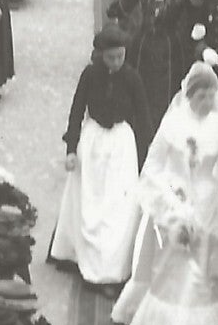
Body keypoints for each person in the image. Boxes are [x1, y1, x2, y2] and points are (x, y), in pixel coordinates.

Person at [113, 61, 218, 325]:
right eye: (201, 97)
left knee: (211, 267)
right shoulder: (172, 125)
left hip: (211, 202)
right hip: (178, 202)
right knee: (178, 268)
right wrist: (170, 199)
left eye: (211, 96)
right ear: (189, 96)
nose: (207, 103)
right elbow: (154, 166)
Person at [50, 26, 151, 287]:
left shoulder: (133, 78)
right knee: (86, 198)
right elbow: (76, 110)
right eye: (111, 57)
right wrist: (71, 148)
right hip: (93, 141)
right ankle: (75, 253)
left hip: (120, 144)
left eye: (120, 57)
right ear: (101, 55)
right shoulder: (90, 75)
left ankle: (110, 267)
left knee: (115, 205)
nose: (116, 62)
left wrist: (147, 158)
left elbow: (143, 119)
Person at [107, 0, 200, 128]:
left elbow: (197, 19)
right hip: (143, 48)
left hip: (172, 51)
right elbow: (120, 9)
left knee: (169, 100)